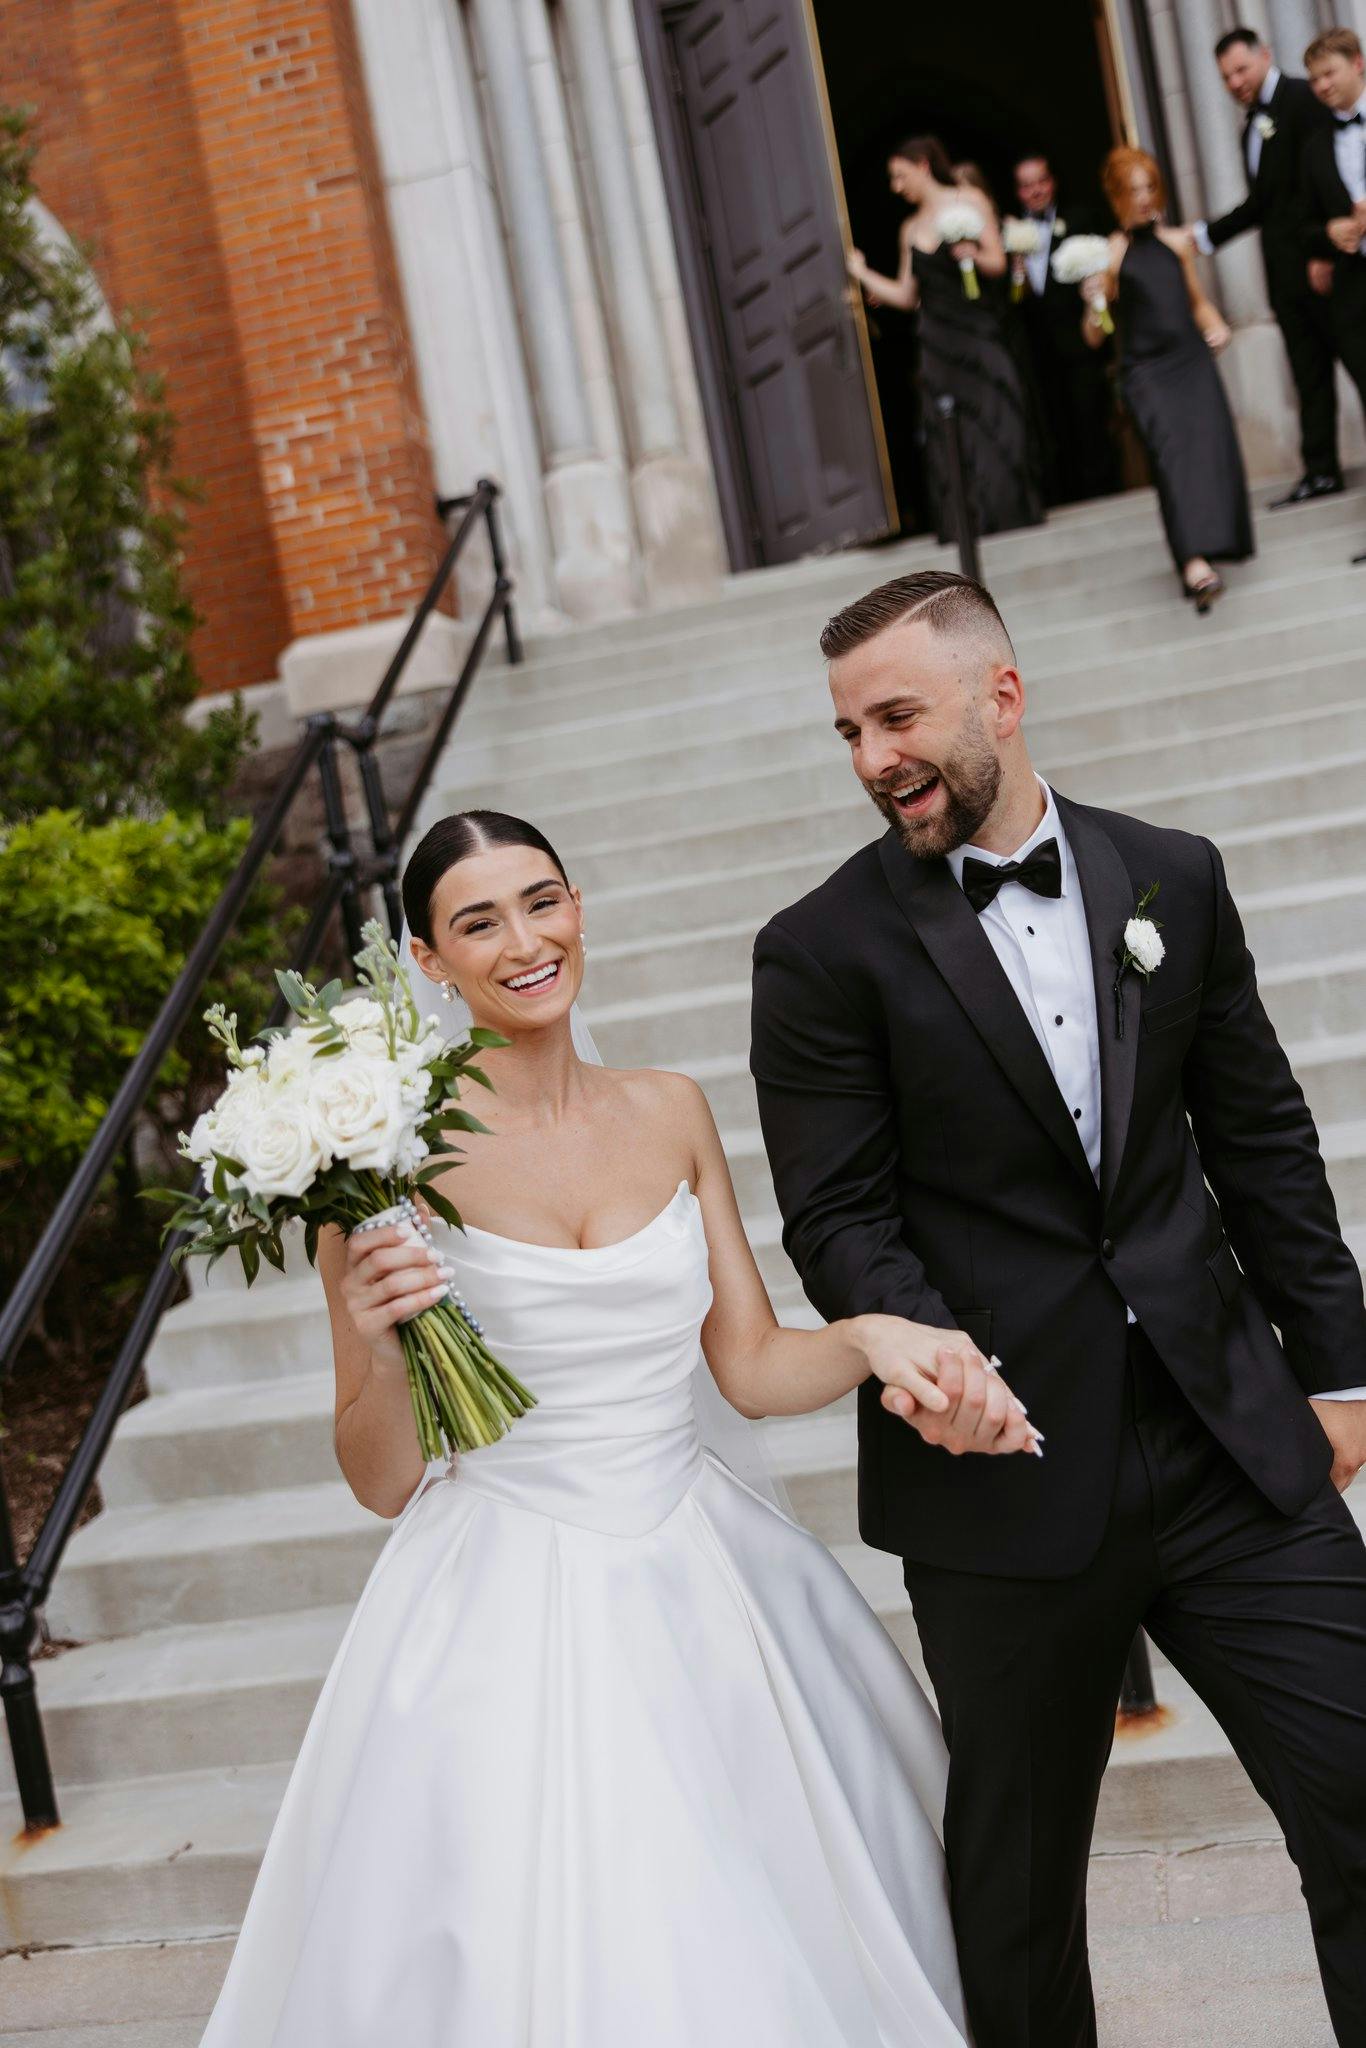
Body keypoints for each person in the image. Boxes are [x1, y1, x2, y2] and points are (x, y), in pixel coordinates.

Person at [196, 805, 1026, 2047]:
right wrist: (375, 1344)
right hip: (504, 1585)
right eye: (477, 920)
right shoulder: (379, 1170)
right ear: (426, 961)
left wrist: (865, 1339)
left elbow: (745, 1367)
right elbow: (379, 1478)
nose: (524, 940)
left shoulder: (672, 1107)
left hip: (705, 1566)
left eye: (543, 900)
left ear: (579, 905)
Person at [751, 567, 1366, 2048]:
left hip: (1229, 1444)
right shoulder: (819, 951)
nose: (871, 758)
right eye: (846, 732)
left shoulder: (1172, 875)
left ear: (1000, 698)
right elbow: (840, 1215)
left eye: (896, 716)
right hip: (998, 1475)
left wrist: (1338, 1372)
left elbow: (1259, 1141)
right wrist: (924, 1358)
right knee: (1015, 1902)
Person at [847, 135, 1044, 540]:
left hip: (977, 334)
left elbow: (997, 263)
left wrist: (972, 252)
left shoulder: (969, 200)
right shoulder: (909, 228)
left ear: (922, 165)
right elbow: (906, 295)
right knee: (949, 432)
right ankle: (966, 526)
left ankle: (1006, 518)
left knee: (994, 419)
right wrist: (862, 271)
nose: (896, 187)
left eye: (900, 176)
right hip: (937, 345)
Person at [1182, 27, 1341, 509]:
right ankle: (1321, 471)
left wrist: (1323, 253)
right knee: (1308, 374)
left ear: (1265, 56)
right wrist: (1202, 237)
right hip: (1285, 276)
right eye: (1226, 76)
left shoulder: (1302, 98)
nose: (1234, 82)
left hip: (1322, 268)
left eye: (1241, 69)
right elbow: (1264, 204)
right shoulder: (1251, 123)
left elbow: (1320, 184)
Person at [1089, 146, 1252, 610]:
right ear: (1117, 196)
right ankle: (1192, 561)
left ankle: (1213, 542)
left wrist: (1215, 323)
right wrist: (1092, 302)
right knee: (1171, 457)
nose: (1144, 199)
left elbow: (1196, 300)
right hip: (1146, 373)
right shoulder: (1111, 253)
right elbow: (1094, 335)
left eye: (1150, 188)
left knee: (1209, 447)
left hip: (1190, 360)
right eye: (1133, 190)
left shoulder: (1178, 242)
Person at [1008, 151, 1121, 505]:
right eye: (1027, 186)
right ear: (1018, 192)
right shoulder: (1012, 234)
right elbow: (1015, 299)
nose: (1036, 191)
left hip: (1081, 342)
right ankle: (1066, 496)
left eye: (1041, 181)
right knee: (1053, 424)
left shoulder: (1081, 219)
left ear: (1052, 182)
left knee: (1090, 417)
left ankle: (1103, 493)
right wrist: (1017, 276)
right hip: (1039, 349)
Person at [1301, 27, 1366, 563]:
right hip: (1355, 293)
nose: (1322, 86)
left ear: (1358, 64)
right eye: (1315, 78)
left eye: (1330, 73)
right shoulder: (1316, 144)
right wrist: (1329, 234)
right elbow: (1298, 221)